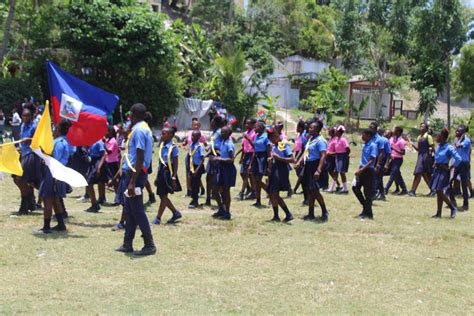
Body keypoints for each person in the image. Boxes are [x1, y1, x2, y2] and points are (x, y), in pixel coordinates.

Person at [115, 103, 156, 256]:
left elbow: (139, 156)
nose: (128, 117)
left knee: (137, 210)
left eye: (130, 115)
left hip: (135, 175)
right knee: (130, 209)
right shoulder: (142, 128)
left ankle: (149, 244)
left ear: (134, 114)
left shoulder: (139, 130)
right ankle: (127, 243)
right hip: (133, 173)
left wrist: (132, 181)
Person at [35, 119, 71, 234]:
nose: (53, 131)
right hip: (56, 173)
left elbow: (55, 160)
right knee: (55, 200)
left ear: (59, 130)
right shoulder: (62, 141)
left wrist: (44, 155)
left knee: (48, 199)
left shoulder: (59, 143)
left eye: (55, 129)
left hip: (53, 173)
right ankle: (61, 224)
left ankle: (46, 227)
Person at [296, 120, 329, 222]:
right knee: (310, 190)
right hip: (309, 165)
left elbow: (323, 156)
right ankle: (311, 214)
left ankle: (324, 210)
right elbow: (306, 152)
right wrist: (299, 162)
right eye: (309, 127)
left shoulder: (320, 141)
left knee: (315, 190)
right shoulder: (310, 139)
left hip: (316, 165)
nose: (309, 129)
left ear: (317, 130)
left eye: (312, 128)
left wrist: (318, 170)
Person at [13, 104, 43, 215]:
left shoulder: (34, 126)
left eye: (27, 115)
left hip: (31, 155)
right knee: (17, 180)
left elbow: (40, 140)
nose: (25, 117)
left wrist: (29, 139)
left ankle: (25, 206)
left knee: (21, 180)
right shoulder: (22, 126)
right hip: (23, 154)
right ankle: (29, 201)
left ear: (31, 116)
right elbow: (21, 142)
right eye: (23, 115)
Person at [152, 127, 182, 225]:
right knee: (161, 195)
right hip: (162, 172)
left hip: (168, 173)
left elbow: (176, 163)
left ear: (170, 135)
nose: (162, 135)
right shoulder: (161, 145)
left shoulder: (173, 147)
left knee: (164, 195)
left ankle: (158, 218)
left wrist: (174, 176)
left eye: (164, 134)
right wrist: (157, 176)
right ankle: (175, 212)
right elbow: (160, 162)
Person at [431, 128, 462, 219]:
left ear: (443, 137)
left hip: (444, 171)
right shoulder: (438, 146)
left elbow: (458, 158)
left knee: (440, 190)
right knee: (437, 191)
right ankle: (438, 213)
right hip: (437, 170)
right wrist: (435, 163)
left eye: (438, 136)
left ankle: (452, 208)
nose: (436, 137)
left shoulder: (449, 147)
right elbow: (437, 157)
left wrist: (451, 166)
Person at [266, 130, 294, 222]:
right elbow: (273, 157)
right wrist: (270, 160)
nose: (272, 140)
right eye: (270, 138)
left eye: (273, 137)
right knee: (272, 193)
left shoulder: (283, 145)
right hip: (274, 169)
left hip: (281, 170)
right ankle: (276, 216)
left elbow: (292, 159)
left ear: (278, 136)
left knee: (274, 192)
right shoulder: (273, 146)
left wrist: (279, 158)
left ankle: (288, 213)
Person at [212, 126, 237, 220]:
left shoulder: (229, 144)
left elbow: (231, 159)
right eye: (221, 132)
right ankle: (221, 209)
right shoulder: (222, 142)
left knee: (226, 191)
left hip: (228, 169)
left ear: (229, 134)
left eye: (223, 132)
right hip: (221, 168)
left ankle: (227, 212)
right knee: (215, 190)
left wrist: (219, 159)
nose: (221, 134)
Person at [353, 129, 378, 220]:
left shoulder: (373, 145)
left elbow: (372, 160)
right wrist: (359, 168)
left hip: (368, 171)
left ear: (368, 135)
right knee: (355, 188)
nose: (362, 136)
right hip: (362, 169)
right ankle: (366, 208)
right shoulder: (365, 145)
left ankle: (368, 214)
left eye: (363, 134)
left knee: (367, 193)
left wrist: (362, 169)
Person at [182, 118, 207, 197]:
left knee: (196, 174)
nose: (196, 126)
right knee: (188, 174)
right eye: (194, 125)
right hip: (190, 155)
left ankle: (201, 188)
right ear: (192, 126)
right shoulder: (189, 133)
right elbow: (186, 142)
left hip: (197, 157)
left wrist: (208, 150)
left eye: (198, 125)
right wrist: (183, 145)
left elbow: (206, 144)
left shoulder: (201, 134)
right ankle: (189, 191)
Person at [408, 123, 434, 197]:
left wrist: (432, 155)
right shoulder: (419, 137)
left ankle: (413, 191)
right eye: (420, 126)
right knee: (424, 174)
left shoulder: (428, 137)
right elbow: (418, 149)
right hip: (420, 156)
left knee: (418, 172)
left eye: (423, 126)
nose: (421, 128)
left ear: (426, 129)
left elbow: (432, 147)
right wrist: (412, 144)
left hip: (426, 157)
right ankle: (433, 190)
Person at [449, 125, 471, 211]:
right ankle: (453, 201)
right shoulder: (456, 139)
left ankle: (466, 204)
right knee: (449, 181)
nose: (456, 132)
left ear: (463, 133)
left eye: (459, 131)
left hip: (464, 163)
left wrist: (459, 142)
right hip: (457, 163)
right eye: (456, 131)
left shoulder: (467, 140)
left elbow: (459, 146)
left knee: (464, 184)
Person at [250, 121, 272, 207]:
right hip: (256, 157)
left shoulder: (265, 137)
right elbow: (255, 150)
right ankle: (258, 201)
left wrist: (269, 162)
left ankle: (270, 192)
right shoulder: (256, 137)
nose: (254, 128)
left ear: (261, 128)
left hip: (263, 158)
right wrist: (251, 164)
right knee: (256, 180)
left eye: (256, 127)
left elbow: (269, 149)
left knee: (258, 180)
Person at [235, 118, 256, 200]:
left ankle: (242, 192)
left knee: (248, 174)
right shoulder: (246, 133)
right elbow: (244, 147)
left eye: (248, 124)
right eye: (246, 124)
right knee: (243, 173)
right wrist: (240, 156)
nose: (246, 125)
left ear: (253, 125)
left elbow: (255, 146)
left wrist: (248, 138)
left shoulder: (254, 134)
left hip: (252, 154)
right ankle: (250, 189)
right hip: (246, 155)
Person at [369, 122, 391, 201]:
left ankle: (374, 193)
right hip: (372, 160)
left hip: (379, 160)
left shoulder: (382, 140)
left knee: (376, 178)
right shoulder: (370, 138)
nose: (370, 129)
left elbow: (387, 153)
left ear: (376, 129)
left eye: (372, 128)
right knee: (377, 178)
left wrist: (385, 164)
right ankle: (382, 194)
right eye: (370, 127)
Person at [84, 140, 107, 212]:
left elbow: (104, 155)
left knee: (89, 182)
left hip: (97, 162)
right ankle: (94, 203)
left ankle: (95, 204)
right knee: (89, 182)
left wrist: (99, 167)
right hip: (92, 162)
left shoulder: (98, 142)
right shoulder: (91, 143)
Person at [205, 116, 224, 206]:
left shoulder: (220, 132)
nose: (211, 124)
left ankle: (221, 198)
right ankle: (208, 199)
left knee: (217, 179)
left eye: (212, 122)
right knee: (208, 178)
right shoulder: (213, 133)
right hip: (211, 157)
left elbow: (219, 145)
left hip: (217, 157)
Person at [384, 126, 408, 195]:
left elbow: (403, 153)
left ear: (398, 132)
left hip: (398, 160)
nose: (393, 131)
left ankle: (386, 189)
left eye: (395, 130)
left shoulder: (401, 141)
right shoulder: (392, 139)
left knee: (393, 174)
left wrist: (394, 148)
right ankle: (404, 189)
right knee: (397, 175)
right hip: (392, 159)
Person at [188, 130, 206, 208]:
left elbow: (202, 159)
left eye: (194, 136)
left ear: (198, 137)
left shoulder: (199, 147)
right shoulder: (191, 145)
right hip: (192, 166)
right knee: (192, 183)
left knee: (196, 184)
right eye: (191, 135)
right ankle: (193, 198)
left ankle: (196, 201)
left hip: (198, 167)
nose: (192, 137)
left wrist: (197, 170)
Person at [105, 126, 120, 197]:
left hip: (113, 163)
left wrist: (104, 144)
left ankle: (118, 197)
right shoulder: (108, 140)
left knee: (115, 181)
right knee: (113, 181)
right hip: (109, 162)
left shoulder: (113, 141)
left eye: (107, 131)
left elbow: (109, 152)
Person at [334, 125, 350, 194]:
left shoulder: (343, 140)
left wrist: (345, 156)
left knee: (342, 172)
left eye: (336, 131)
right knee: (336, 172)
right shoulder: (338, 139)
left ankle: (345, 189)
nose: (335, 132)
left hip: (342, 156)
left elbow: (348, 149)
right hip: (338, 156)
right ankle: (333, 187)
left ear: (339, 132)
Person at [324, 127, 339, 193]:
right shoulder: (331, 139)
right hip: (328, 157)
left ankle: (337, 184)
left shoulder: (335, 141)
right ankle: (338, 184)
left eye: (329, 131)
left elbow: (337, 151)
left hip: (332, 158)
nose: (328, 132)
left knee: (331, 171)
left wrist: (330, 153)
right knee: (329, 171)